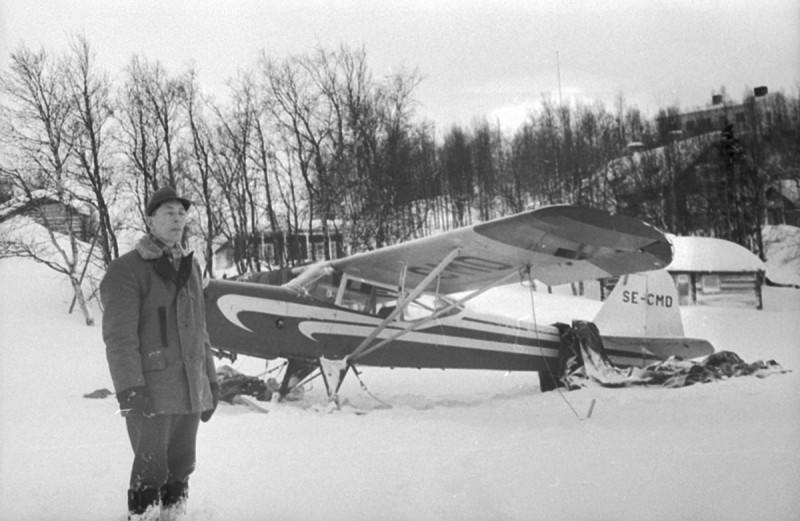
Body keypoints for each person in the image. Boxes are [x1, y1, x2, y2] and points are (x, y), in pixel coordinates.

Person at [101, 186, 219, 520]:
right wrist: (129, 388)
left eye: (182, 214)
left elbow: (201, 331)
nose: (177, 219)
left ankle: (174, 516)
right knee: (150, 472)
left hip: (189, 387)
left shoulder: (192, 268)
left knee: (182, 466)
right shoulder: (127, 270)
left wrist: (210, 380)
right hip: (151, 390)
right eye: (168, 213)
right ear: (150, 220)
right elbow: (119, 338)